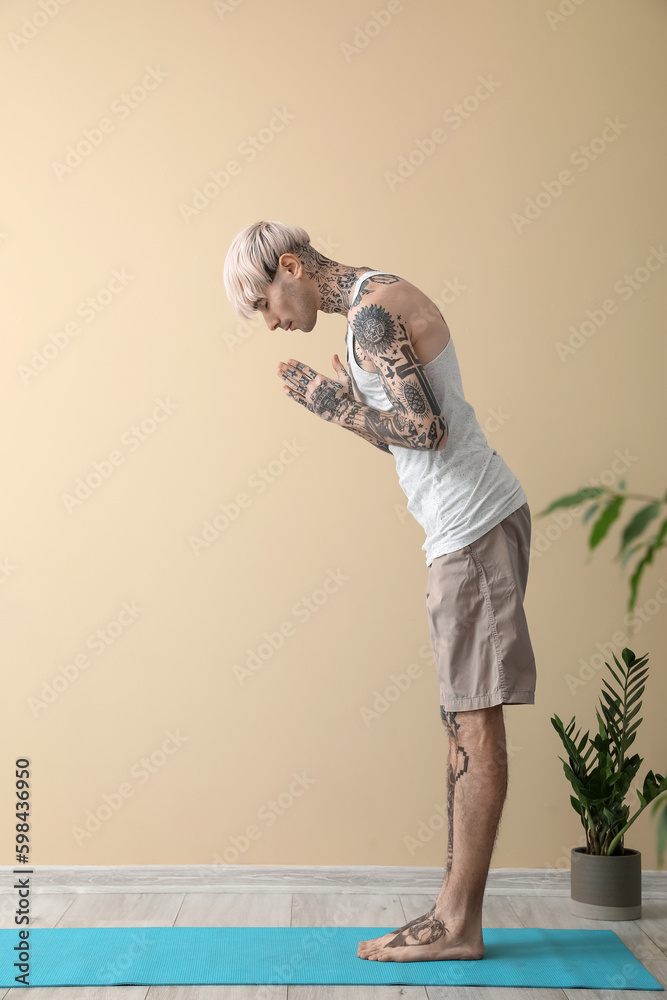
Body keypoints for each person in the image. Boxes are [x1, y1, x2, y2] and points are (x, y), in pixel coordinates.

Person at [224, 220, 537, 963]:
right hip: (467, 530)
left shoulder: (369, 316)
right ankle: (450, 914)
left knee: (472, 721)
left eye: (264, 302)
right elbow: (405, 431)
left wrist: (327, 401)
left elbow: (424, 429)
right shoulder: (372, 304)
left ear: (291, 266)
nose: (271, 324)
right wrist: (341, 398)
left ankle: (457, 925)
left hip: (472, 532)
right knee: (462, 717)